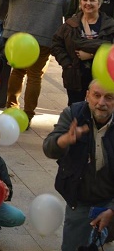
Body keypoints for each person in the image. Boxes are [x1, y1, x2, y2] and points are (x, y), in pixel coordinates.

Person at [43, 80, 114, 251]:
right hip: (80, 198)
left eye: (109, 97)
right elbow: (49, 148)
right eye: (96, 95)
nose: (101, 103)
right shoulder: (73, 113)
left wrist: (112, 210)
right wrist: (64, 140)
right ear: (87, 95)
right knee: (72, 247)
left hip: (110, 197)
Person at [0, 0, 70, 121]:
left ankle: (12, 109)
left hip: (19, 38)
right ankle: (28, 115)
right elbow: (68, 12)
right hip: (46, 38)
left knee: (17, 71)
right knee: (35, 77)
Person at [52, 0, 114, 106]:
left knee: (99, 107)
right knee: (75, 108)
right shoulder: (70, 25)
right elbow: (56, 44)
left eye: (92, 0)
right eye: (85, 0)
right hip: (75, 74)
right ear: (80, 3)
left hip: (102, 76)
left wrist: (91, 54)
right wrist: (67, 63)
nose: (88, 3)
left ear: (99, 4)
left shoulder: (110, 25)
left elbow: (111, 47)